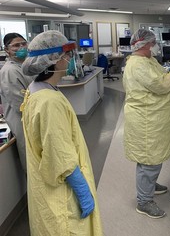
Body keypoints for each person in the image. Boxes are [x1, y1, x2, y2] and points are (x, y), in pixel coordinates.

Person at [20, 30, 102, 235]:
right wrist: (82, 191)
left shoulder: (37, 88)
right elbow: (59, 155)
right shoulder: (49, 101)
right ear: (54, 61)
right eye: (66, 55)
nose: (70, 60)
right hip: (61, 194)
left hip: (45, 187)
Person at [123, 28, 170, 218]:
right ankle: (144, 201)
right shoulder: (139, 65)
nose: (156, 46)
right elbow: (162, 85)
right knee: (149, 160)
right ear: (146, 44)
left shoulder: (146, 60)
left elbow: (160, 75)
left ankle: (149, 185)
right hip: (146, 120)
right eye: (153, 43)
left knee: (152, 158)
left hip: (151, 117)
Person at [0, 33, 34, 173]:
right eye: (15, 45)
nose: (21, 47)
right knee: (32, 161)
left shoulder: (25, 66)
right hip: (24, 122)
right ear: (7, 50)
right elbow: (20, 104)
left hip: (33, 118)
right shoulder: (9, 71)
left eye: (23, 43)